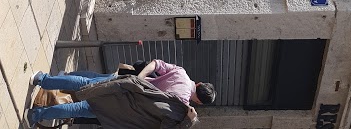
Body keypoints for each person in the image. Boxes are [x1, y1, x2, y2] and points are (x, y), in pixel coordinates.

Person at [24, 59, 216, 128]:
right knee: (80, 109)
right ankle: (36, 115)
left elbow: (155, 64)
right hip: (124, 111)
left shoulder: (181, 73)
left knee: (85, 83)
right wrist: (188, 121)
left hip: (123, 86)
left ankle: (42, 79)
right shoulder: (181, 108)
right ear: (199, 102)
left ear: (199, 83)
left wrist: (139, 78)